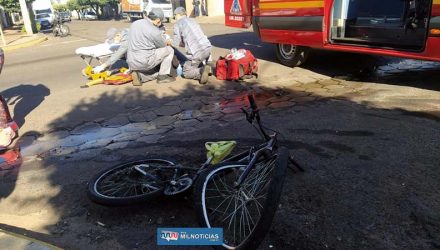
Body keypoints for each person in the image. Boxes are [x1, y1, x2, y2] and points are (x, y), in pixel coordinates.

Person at [127, 9, 175, 85]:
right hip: (144, 61)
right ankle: (163, 76)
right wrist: (167, 39)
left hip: (131, 62)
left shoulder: (135, 23)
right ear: (158, 20)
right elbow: (163, 45)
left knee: (153, 71)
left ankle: (140, 76)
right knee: (169, 50)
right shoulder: (154, 30)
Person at [172, 7, 211, 84]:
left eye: (175, 15)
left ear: (178, 15)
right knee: (196, 60)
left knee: (186, 72)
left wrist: (168, 42)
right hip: (207, 49)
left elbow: (175, 43)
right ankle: (206, 68)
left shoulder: (178, 24)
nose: (175, 17)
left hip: (196, 53)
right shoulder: (193, 20)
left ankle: (200, 71)